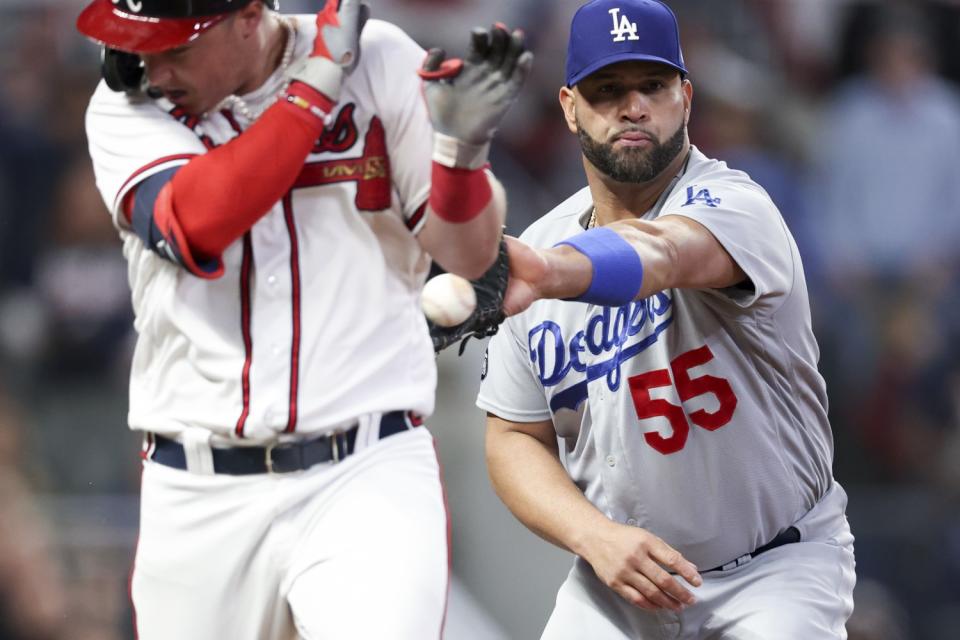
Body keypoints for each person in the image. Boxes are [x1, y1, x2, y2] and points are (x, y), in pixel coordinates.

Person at [75, 0, 531, 638]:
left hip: (365, 472)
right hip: (199, 490)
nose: (153, 68)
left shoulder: (379, 62)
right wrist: (318, 79)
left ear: (248, 14)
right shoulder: (126, 105)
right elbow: (200, 221)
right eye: (143, 45)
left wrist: (462, 156)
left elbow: (469, 254)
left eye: (176, 47)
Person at [477, 1, 856, 638]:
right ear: (569, 105)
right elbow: (514, 436)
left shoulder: (734, 203)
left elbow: (665, 251)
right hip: (622, 583)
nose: (633, 106)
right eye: (607, 90)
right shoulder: (543, 244)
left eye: (651, 85)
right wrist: (592, 536)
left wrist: (547, 273)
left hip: (774, 569)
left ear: (684, 95)